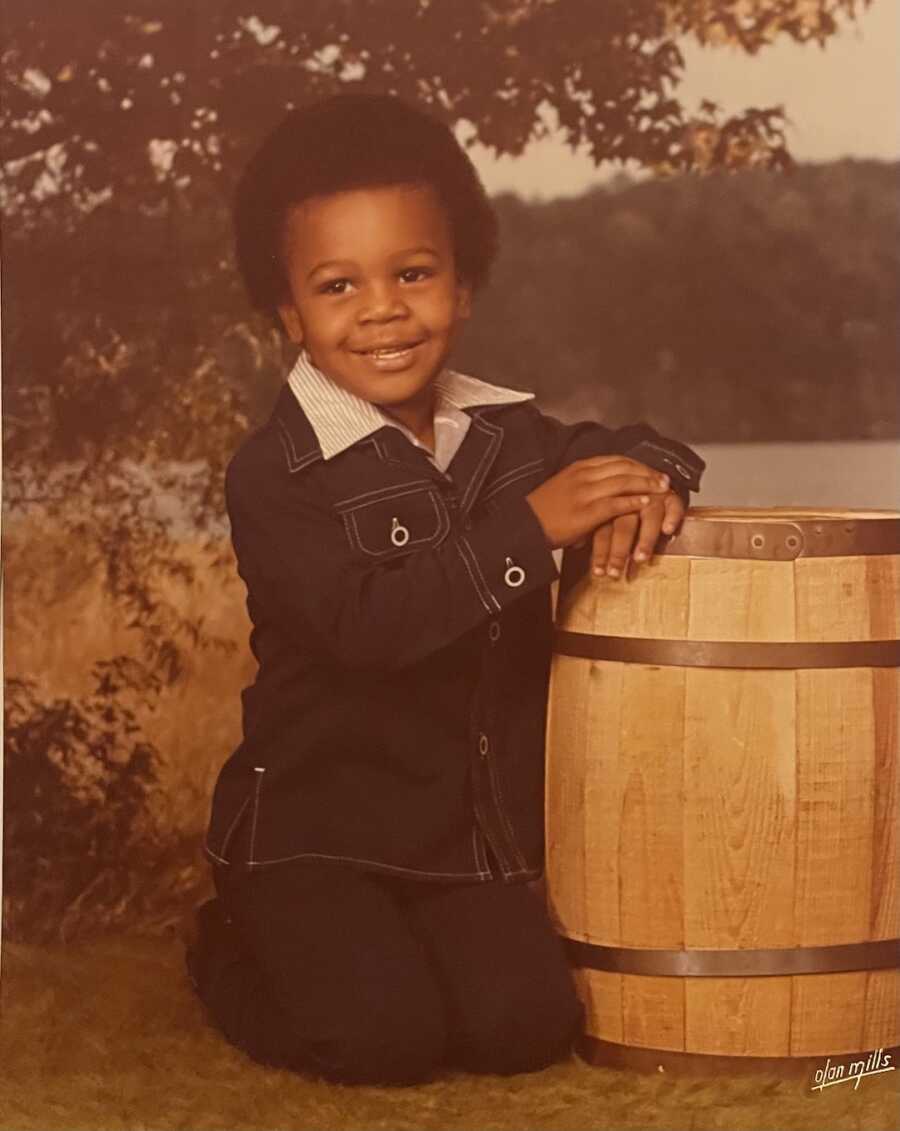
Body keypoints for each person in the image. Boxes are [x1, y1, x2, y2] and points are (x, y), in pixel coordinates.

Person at [186, 92, 705, 1085]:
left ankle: (400, 951)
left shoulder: (509, 436)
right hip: (312, 836)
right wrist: (532, 529)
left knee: (524, 1029)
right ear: (289, 313)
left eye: (413, 273)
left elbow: (623, 445)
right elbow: (366, 629)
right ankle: (228, 943)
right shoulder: (274, 474)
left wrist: (650, 478)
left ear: (462, 286)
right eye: (338, 286)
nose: (382, 309)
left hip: (461, 839)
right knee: (382, 1042)